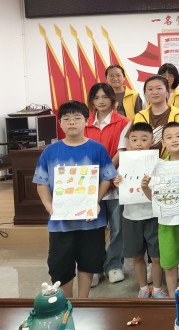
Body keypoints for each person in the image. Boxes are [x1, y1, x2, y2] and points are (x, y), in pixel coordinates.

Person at [33, 100, 117, 298]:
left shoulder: (97, 149)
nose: (72, 122)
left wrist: (95, 201)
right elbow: (41, 182)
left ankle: (83, 301)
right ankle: (68, 303)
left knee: (89, 261)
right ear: (60, 123)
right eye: (66, 118)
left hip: (91, 220)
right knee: (60, 265)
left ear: (86, 121)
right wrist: (48, 205)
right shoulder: (50, 151)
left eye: (77, 118)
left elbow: (106, 178)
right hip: (61, 222)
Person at [141, 122, 179, 297]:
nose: (174, 140)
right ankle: (172, 298)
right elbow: (153, 198)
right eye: (169, 137)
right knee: (169, 264)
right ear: (163, 143)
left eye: (178, 136)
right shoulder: (158, 167)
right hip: (166, 223)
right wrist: (145, 187)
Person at [113, 122, 167, 298]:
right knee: (136, 256)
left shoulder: (159, 163)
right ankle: (143, 288)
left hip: (153, 215)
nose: (138, 143)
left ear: (152, 141)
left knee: (157, 256)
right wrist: (118, 184)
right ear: (128, 141)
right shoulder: (123, 165)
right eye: (134, 139)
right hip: (131, 216)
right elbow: (120, 191)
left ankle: (157, 288)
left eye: (144, 139)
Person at [84, 83, 130, 285]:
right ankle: (95, 267)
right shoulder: (85, 124)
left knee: (118, 227)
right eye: (96, 98)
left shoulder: (124, 122)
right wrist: (97, 177)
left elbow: (122, 151)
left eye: (105, 97)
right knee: (94, 228)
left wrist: (107, 175)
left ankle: (113, 265)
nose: (101, 101)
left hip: (116, 183)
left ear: (113, 99)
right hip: (91, 184)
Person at [132, 75, 179, 159]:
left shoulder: (178, 115)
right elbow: (129, 142)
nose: (155, 92)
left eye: (159, 88)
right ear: (145, 94)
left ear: (167, 92)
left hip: (171, 163)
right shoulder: (139, 117)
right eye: (150, 89)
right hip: (145, 163)